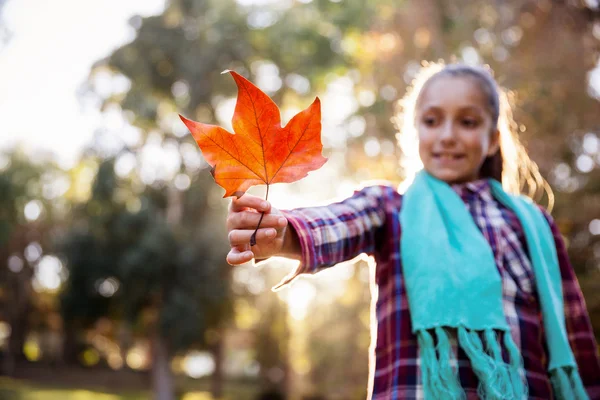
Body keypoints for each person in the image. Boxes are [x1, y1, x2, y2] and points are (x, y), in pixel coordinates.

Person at [225, 62, 600, 399]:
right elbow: (338, 221)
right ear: (413, 131)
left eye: (467, 122)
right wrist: (282, 230)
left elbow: (573, 332)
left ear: (493, 139)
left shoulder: (533, 225)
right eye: (432, 121)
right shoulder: (390, 208)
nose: (448, 135)